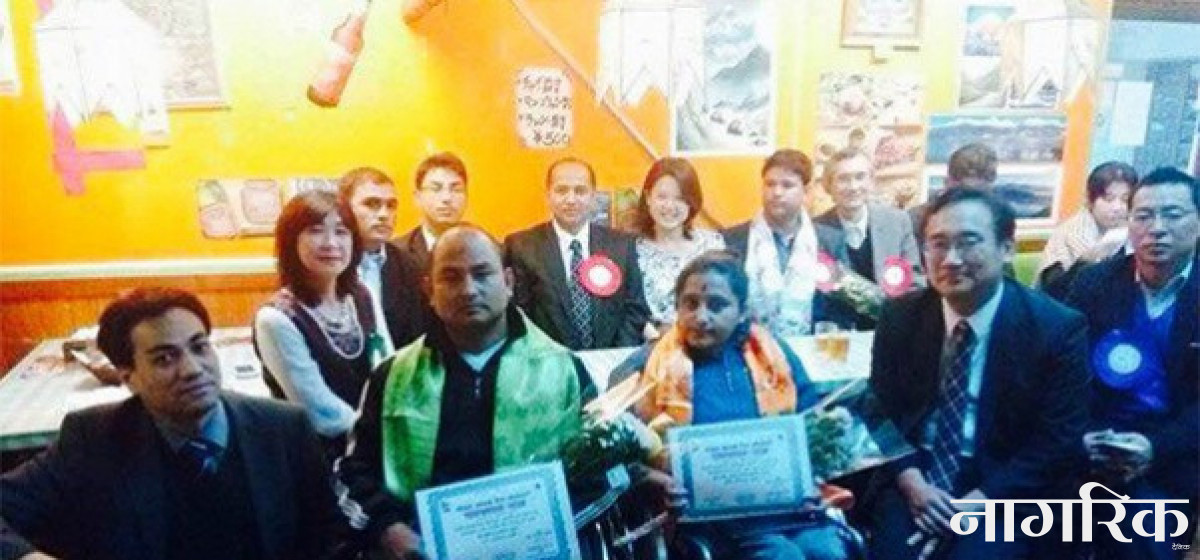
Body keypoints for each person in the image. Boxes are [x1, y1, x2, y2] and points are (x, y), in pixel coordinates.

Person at [0, 288, 342, 560]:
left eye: (199, 347)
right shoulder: (94, 438)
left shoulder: (283, 429)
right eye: (164, 358)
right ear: (128, 377)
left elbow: (328, 541)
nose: (192, 369)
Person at [337, 225, 595, 559]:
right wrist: (389, 529)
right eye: (451, 277)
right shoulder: (393, 377)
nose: (469, 290)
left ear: (509, 282)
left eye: (482, 274)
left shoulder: (563, 370)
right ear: (429, 290)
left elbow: (598, 470)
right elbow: (353, 471)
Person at [868, 188, 1090, 560]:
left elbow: (1058, 438)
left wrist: (980, 501)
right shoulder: (901, 316)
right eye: (938, 244)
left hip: (1005, 486)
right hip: (917, 473)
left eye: (968, 243)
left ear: (1007, 249)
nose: (951, 259)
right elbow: (879, 412)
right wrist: (911, 481)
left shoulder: (1056, 328)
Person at [609, 250, 846, 560]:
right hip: (707, 519)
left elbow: (812, 428)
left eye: (717, 305)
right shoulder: (646, 365)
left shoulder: (774, 357)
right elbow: (614, 454)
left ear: (742, 311)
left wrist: (809, 477)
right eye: (690, 303)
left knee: (827, 550)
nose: (701, 316)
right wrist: (658, 482)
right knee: (780, 555)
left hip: (787, 507)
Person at [1065, 167, 1198, 558]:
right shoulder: (1093, 284)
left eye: (1173, 215)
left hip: (1173, 459)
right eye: (1143, 216)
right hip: (1091, 447)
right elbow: (1062, 375)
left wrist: (1155, 447)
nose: (1156, 229)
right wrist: (1085, 437)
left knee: (1157, 547)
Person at [253, 191, 376, 458]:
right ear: (291, 241)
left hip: (371, 446)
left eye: (341, 232)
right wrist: (378, 431)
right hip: (314, 455)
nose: (331, 243)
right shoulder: (277, 318)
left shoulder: (360, 295)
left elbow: (385, 362)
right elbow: (322, 413)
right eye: (316, 231)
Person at [505, 156, 651, 350]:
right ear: (548, 195)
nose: (571, 199)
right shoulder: (522, 247)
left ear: (593, 196)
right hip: (548, 358)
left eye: (580, 191)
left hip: (612, 358)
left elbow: (635, 308)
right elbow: (519, 314)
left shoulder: (622, 245)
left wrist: (615, 356)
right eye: (561, 190)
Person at [815, 148, 924, 329]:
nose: (853, 187)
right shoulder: (815, 231)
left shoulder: (897, 222)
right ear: (828, 186)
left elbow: (915, 282)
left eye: (860, 177)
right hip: (838, 333)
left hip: (891, 329)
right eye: (843, 179)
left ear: (871, 181)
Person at [724, 149, 824, 337]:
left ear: (806, 191)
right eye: (770, 184)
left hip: (812, 348)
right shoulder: (733, 240)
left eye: (787, 185)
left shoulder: (828, 240)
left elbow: (838, 310)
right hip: (747, 347)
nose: (777, 192)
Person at [338, 166, 428, 352]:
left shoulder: (409, 266)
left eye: (391, 206)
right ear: (344, 209)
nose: (383, 215)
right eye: (371, 204)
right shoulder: (329, 265)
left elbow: (418, 337)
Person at [632, 157, 725, 331]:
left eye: (680, 198)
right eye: (662, 197)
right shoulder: (632, 252)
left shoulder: (713, 246)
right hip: (652, 343)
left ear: (691, 202)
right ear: (648, 198)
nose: (670, 206)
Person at [1037, 161, 1136, 297]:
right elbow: (1054, 291)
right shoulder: (1071, 233)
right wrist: (1089, 258)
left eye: (1125, 200)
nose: (1117, 207)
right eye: (1108, 199)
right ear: (1089, 199)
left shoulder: (1130, 228)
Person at [395, 152, 469, 271]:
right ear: (417, 197)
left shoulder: (487, 250)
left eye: (456, 189)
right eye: (436, 189)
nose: (447, 198)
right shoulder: (396, 254)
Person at [907, 142, 998, 232]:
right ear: (948, 183)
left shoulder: (998, 220)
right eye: (964, 194)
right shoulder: (913, 221)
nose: (969, 204)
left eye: (978, 196)